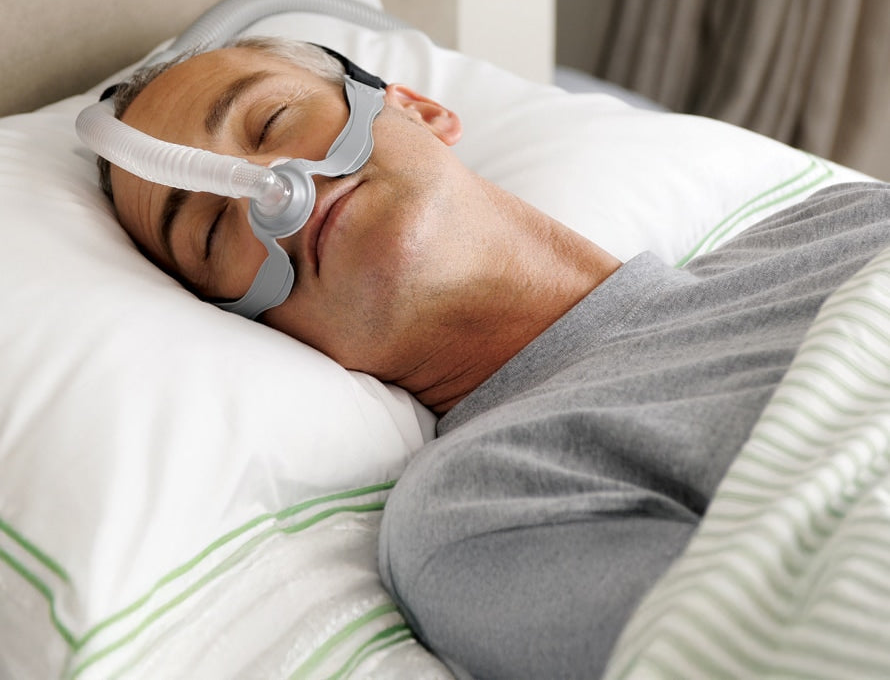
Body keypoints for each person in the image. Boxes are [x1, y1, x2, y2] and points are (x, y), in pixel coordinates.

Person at [101, 36, 890, 679]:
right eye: (211, 230)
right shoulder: (480, 509)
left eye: (271, 121)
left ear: (417, 109)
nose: (271, 189)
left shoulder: (837, 224)